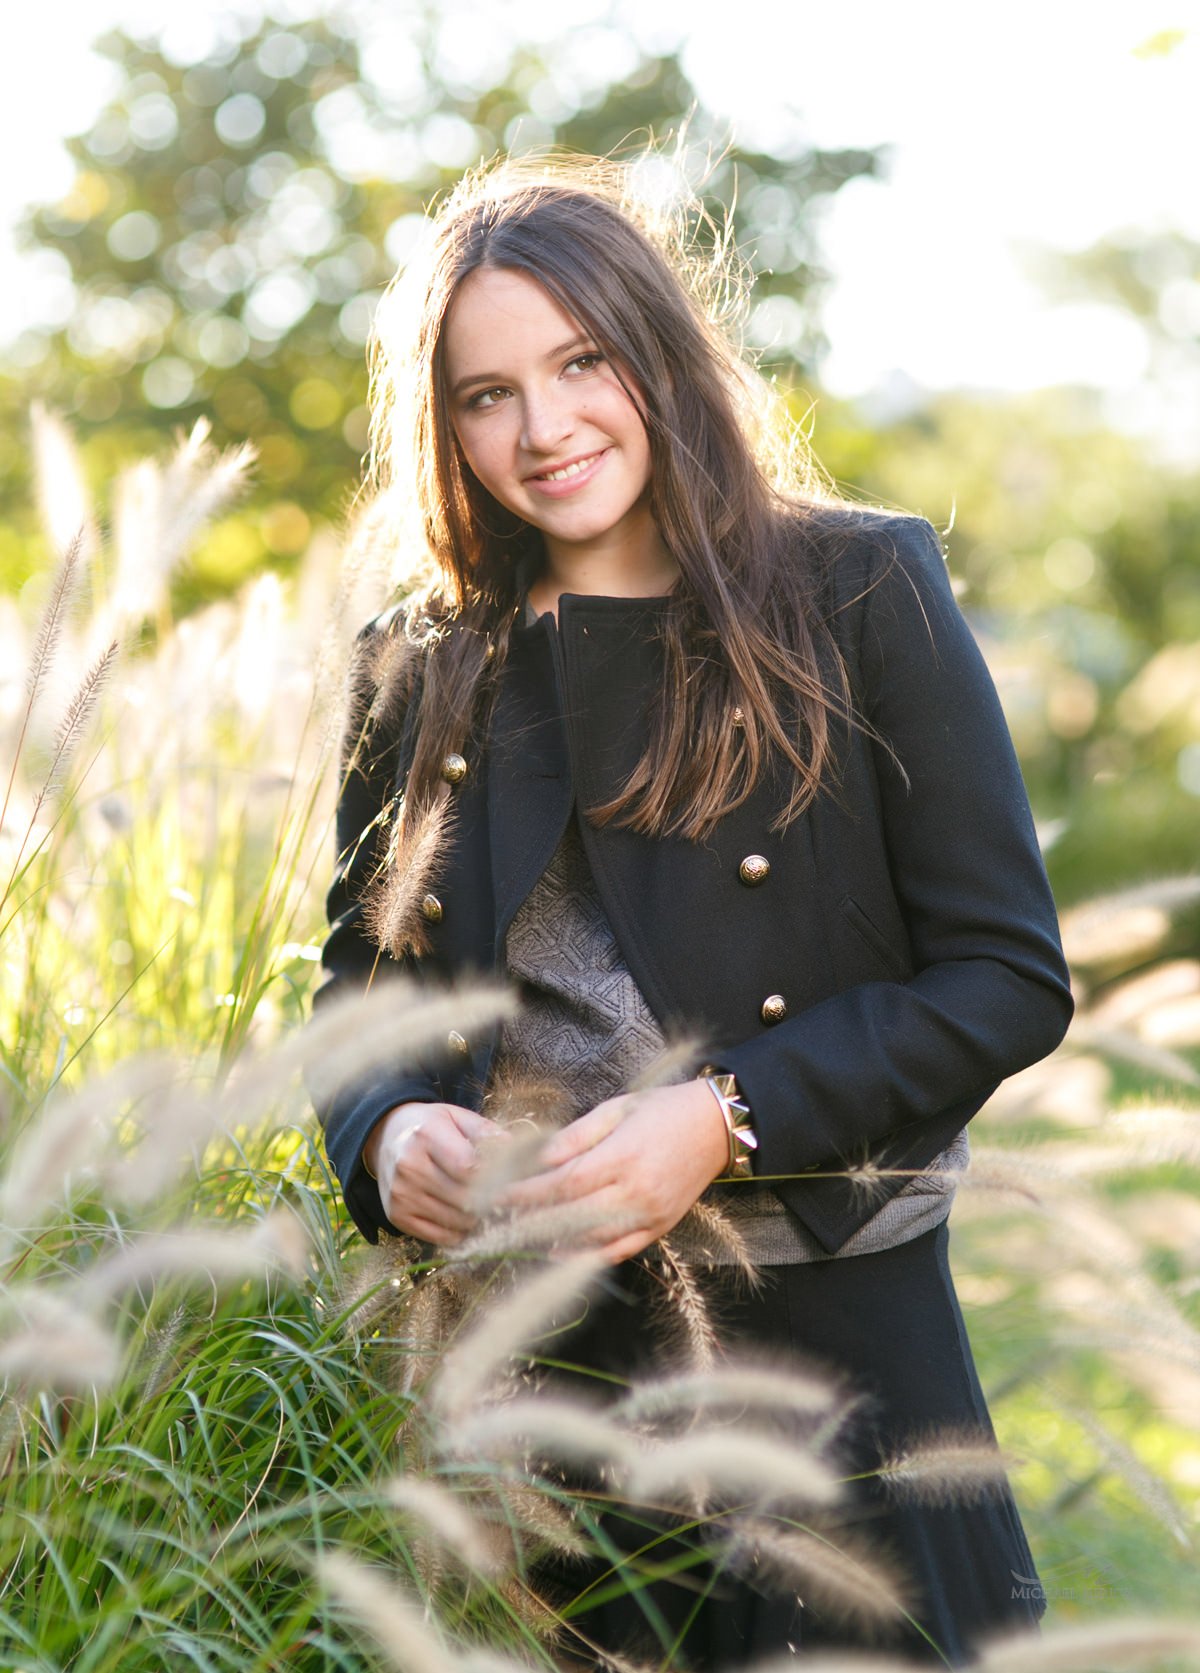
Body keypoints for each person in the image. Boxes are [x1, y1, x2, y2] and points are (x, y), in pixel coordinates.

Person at [311, 153, 1074, 1669]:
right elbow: (358, 1002)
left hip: (850, 1370)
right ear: (443, 426)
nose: (544, 427)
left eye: (580, 361)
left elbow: (1005, 975)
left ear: (654, 351)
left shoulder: (863, 589)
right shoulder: (423, 660)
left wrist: (720, 1120)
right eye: (486, 394)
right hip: (549, 1390)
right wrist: (388, 1134)